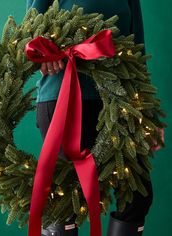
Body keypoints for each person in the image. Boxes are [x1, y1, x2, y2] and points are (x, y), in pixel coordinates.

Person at [26, 1, 163, 235]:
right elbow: (32, 27)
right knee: (64, 200)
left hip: (118, 101)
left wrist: (148, 114)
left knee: (137, 195)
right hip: (63, 98)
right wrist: (42, 50)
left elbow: (137, 50)